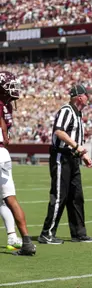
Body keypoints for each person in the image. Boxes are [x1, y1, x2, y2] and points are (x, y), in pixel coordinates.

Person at [39, 84, 92, 244]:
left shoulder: (78, 114)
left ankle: (78, 233)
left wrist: (81, 154)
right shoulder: (67, 110)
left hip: (72, 158)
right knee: (59, 196)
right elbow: (59, 131)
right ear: (79, 97)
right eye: (86, 95)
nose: (88, 97)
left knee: (76, 196)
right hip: (61, 157)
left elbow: (73, 138)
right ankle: (47, 233)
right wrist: (78, 147)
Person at [0, 71, 36, 256]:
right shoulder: (8, 107)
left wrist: (4, 135)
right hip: (4, 154)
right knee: (8, 199)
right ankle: (23, 240)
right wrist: (5, 136)